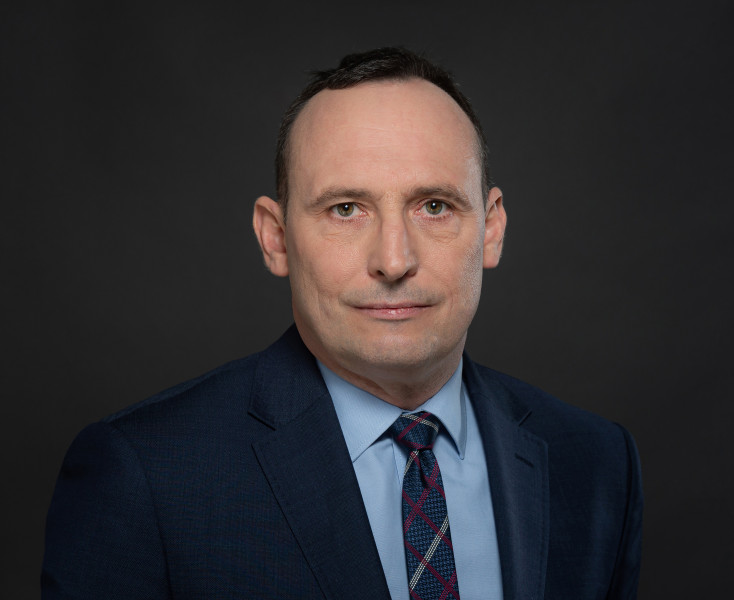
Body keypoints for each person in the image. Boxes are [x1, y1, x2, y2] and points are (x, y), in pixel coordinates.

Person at [42, 47, 642, 600]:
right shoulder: (145, 477)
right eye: (346, 209)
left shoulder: (596, 463)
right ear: (276, 239)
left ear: (491, 229)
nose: (394, 260)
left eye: (434, 206)